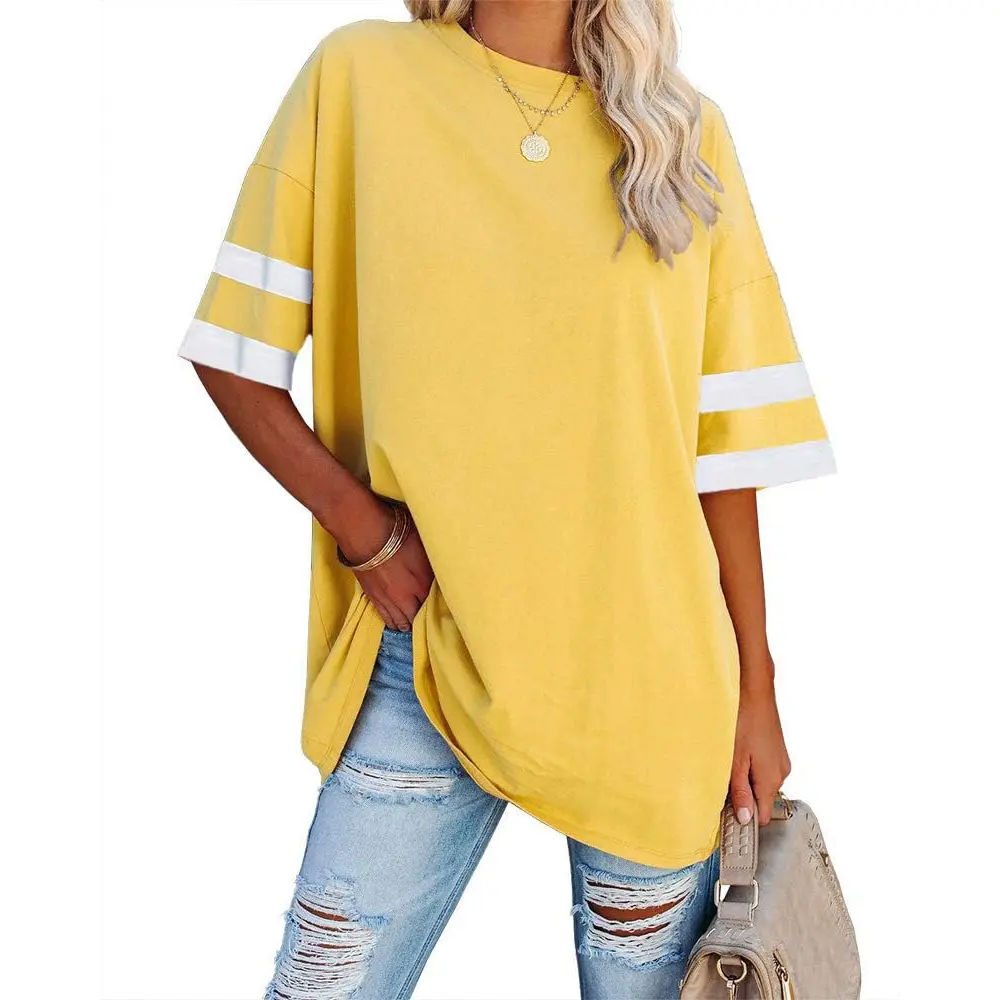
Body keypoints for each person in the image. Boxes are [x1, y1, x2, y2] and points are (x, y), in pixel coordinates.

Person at [177, 1, 835, 997]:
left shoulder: (681, 134)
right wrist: (363, 530)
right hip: (428, 656)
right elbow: (233, 353)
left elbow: (723, 453)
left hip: (652, 684)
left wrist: (757, 689)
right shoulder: (360, 77)